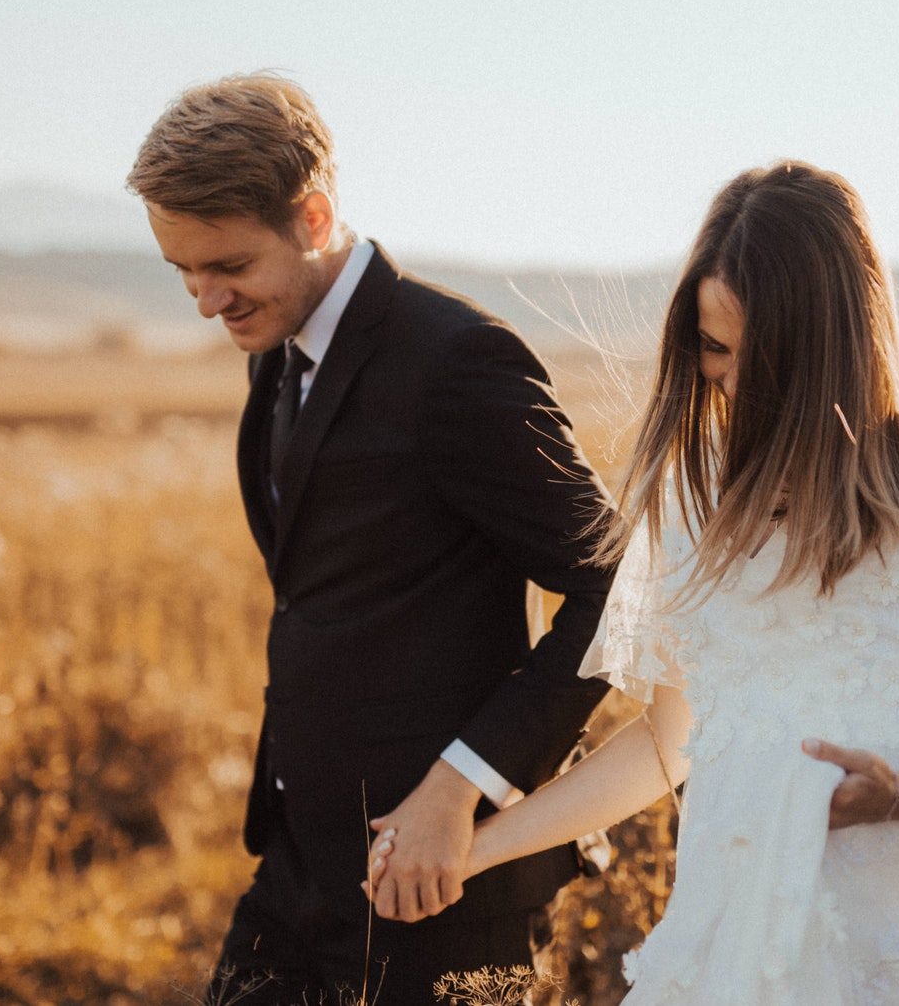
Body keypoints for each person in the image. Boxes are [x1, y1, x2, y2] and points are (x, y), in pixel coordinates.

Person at [369, 161, 899, 1003]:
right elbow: (670, 739)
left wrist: (896, 796)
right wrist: (474, 847)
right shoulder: (692, 486)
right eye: (711, 346)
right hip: (729, 913)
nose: (727, 379)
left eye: (755, 356)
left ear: (831, 343)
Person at [127, 75, 616, 1005]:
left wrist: (459, 787)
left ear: (312, 217)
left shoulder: (456, 361)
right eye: (182, 270)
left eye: (227, 265)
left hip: (449, 879)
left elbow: (618, 589)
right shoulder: (276, 341)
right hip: (301, 864)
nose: (204, 300)